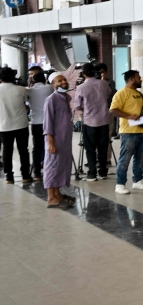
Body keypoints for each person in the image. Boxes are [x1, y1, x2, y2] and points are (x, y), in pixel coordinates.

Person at [109, 70, 143, 195]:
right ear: (132, 79)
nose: (141, 79)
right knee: (125, 158)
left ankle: (137, 180)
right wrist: (128, 116)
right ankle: (120, 184)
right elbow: (113, 110)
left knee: (140, 158)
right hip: (129, 132)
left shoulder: (139, 94)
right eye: (139, 77)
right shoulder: (121, 93)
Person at [74, 63, 112, 182]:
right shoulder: (103, 83)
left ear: (83, 73)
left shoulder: (81, 87)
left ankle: (92, 173)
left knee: (90, 148)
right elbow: (108, 93)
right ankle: (103, 172)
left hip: (89, 121)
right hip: (104, 120)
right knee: (103, 147)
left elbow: (78, 105)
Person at [42, 75, 75, 209]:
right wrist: (50, 143)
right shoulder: (51, 100)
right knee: (52, 167)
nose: (63, 82)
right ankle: (51, 198)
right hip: (55, 140)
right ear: (53, 85)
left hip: (65, 140)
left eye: (64, 80)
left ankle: (57, 194)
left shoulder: (66, 98)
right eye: (59, 81)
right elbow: (48, 123)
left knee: (60, 166)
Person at [0, 67, 32, 184]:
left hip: (4, 126)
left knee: (7, 151)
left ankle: (9, 176)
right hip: (21, 124)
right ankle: (26, 175)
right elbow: (25, 102)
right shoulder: (21, 89)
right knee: (23, 150)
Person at [27, 72, 53, 179]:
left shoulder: (30, 91)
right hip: (49, 122)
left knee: (36, 148)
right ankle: (50, 169)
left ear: (33, 81)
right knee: (50, 146)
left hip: (36, 122)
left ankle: (36, 172)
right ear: (44, 79)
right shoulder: (49, 88)